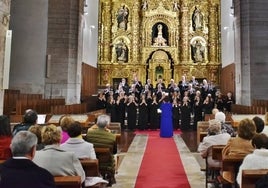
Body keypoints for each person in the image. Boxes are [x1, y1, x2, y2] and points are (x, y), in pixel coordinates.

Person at [85, 114, 117, 186]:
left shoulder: (89, 134)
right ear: (107, 124)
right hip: (106, 163)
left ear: (97, 123)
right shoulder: (112, 136)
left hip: (92, 161)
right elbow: (114, 151)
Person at [222, 118, 256, 183]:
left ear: (239, 129)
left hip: (233, 174)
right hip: (251, 175)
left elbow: (224, 154)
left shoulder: (232, 141)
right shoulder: (255, 142)